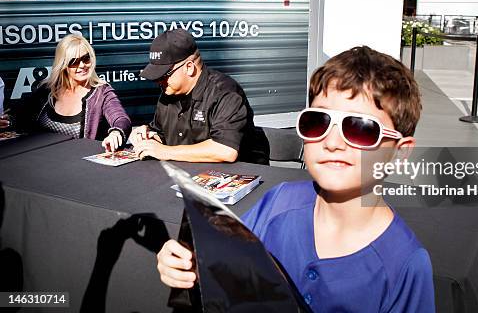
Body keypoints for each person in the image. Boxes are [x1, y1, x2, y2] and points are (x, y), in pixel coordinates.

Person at [156, 46, 435, 312]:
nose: (333, 142)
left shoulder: (406, 264)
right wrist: (190, 266)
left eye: (361, 128)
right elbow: (228, 269)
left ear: (400, 152)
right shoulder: (277, 203)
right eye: (318, 122)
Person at [130, 29, 265, 164]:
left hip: (239, 176)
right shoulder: (168, 92)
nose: (159, 81)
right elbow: (161, 134)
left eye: (164, 75)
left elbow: (225, 150)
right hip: (185, 175)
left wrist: (164, 151)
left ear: (189, 67)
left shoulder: (224, 92)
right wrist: (149, 138)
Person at [18, 34, 131, 151]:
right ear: (63, 64)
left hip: (81, 165)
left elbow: (121, 119)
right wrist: (8, 121)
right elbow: (22, 117)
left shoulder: (102, 93)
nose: (82, 65)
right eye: (74, 62)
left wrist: (116, 133)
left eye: (86, 58)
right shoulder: (47, 89)